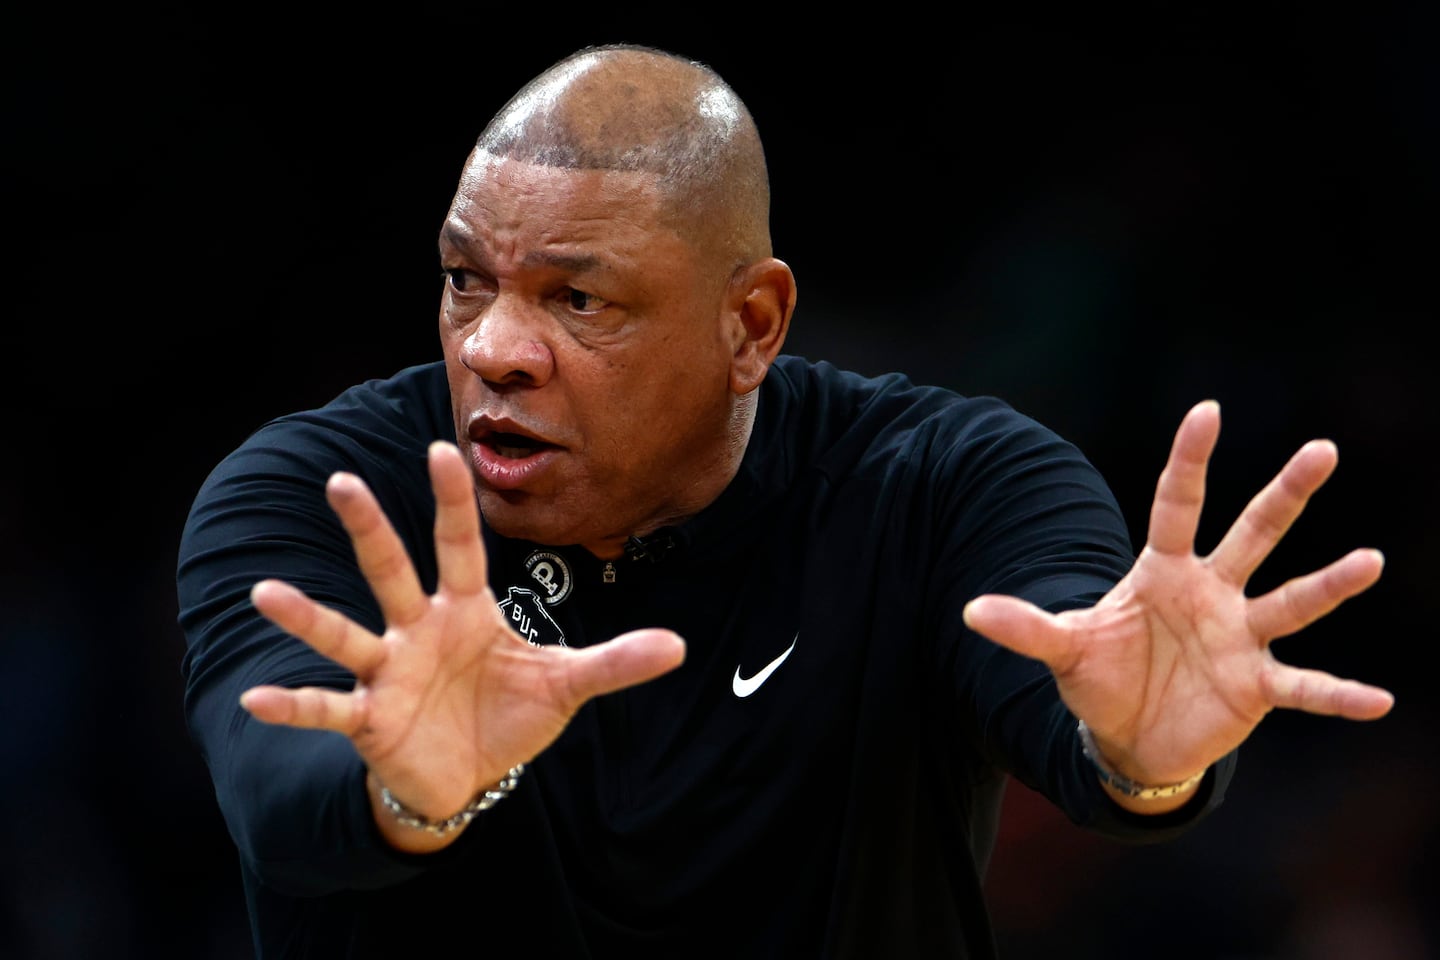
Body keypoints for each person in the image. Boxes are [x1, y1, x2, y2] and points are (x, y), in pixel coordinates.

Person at [175, 43, 1394, 960]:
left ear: (750, 323)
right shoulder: (315, 494)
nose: (493, 347)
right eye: (464, 280)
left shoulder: (949, 483)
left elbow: (1079, 700)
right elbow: (278, 801)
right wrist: (406, 786)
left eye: (577, 300)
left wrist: (1143, 759)